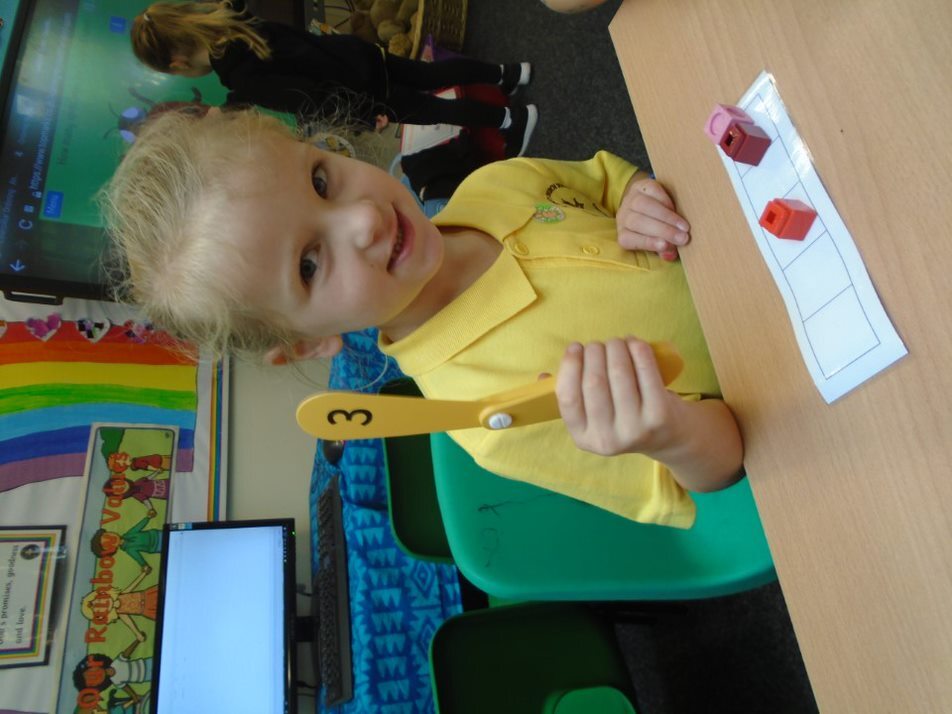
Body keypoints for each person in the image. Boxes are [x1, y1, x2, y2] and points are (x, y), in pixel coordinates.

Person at [102, 109, 744, 527]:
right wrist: (669, 433)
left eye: (321, 181)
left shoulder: (492, 187)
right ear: (304, 344)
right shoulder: (495, 417)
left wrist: (635, 197)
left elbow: (605, 183)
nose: (364, 219)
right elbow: (718, 468)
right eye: (309, 264)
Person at [131, 1, 538, 157]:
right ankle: (508, 74)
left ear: (178, 64)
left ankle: (511, 121)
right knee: (429, 73)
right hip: (358, 54)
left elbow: (310, 97)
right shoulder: (237, 20)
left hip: (361, 90)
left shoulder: (241, 77)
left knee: (434, 109)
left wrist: (363, 115)